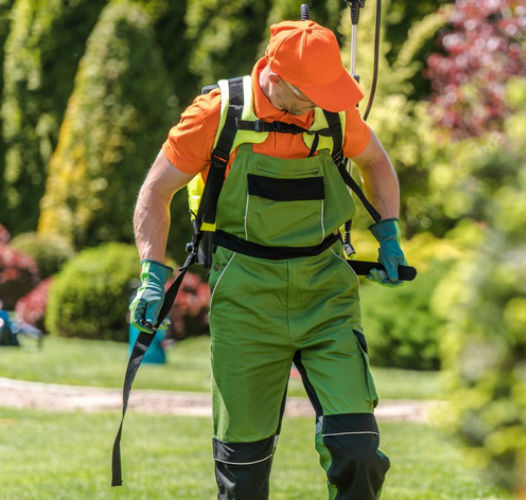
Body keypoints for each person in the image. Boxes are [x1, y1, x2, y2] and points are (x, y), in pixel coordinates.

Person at [129, 20, 406, 500]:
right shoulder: (217, 114)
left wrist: (389, 234)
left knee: (359, 451)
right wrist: (153, 275)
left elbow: (376, 162)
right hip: (245, 296)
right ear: (275, 78)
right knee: (243, 476)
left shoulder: (335, 113)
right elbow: (156, 191)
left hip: (327, 295)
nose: (322, 103)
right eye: (311, 93)